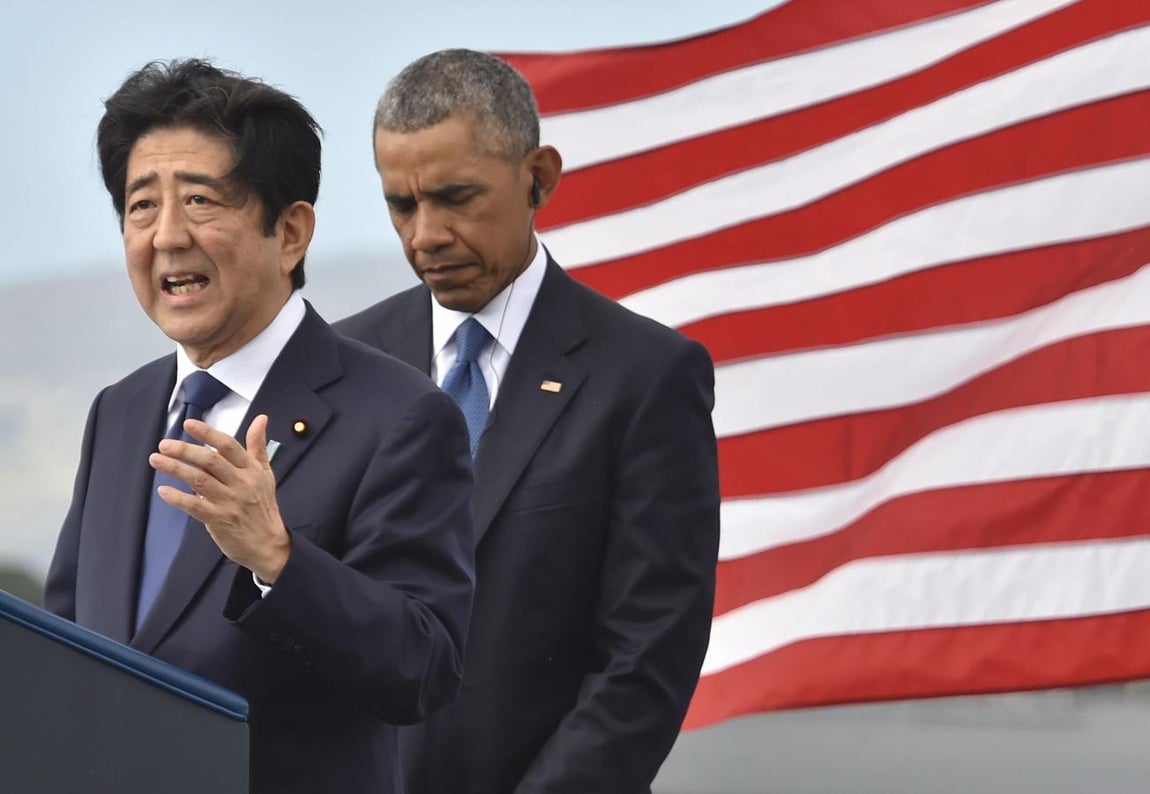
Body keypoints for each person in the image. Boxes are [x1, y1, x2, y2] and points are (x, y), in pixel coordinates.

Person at [43, 59, 475, 794]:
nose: (167, 237)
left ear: (290, 232)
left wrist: (279, 559)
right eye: (141, 206)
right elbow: (63, 645)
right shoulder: (121, 411)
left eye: (202, 201)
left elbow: (422, 668)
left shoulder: (400, 416)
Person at [337, 49, 721, 794]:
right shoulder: (341, 364)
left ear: (538, 177)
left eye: (456, 197)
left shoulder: (645, 377)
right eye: (402, 205)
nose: (426, 236)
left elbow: (646, 661)